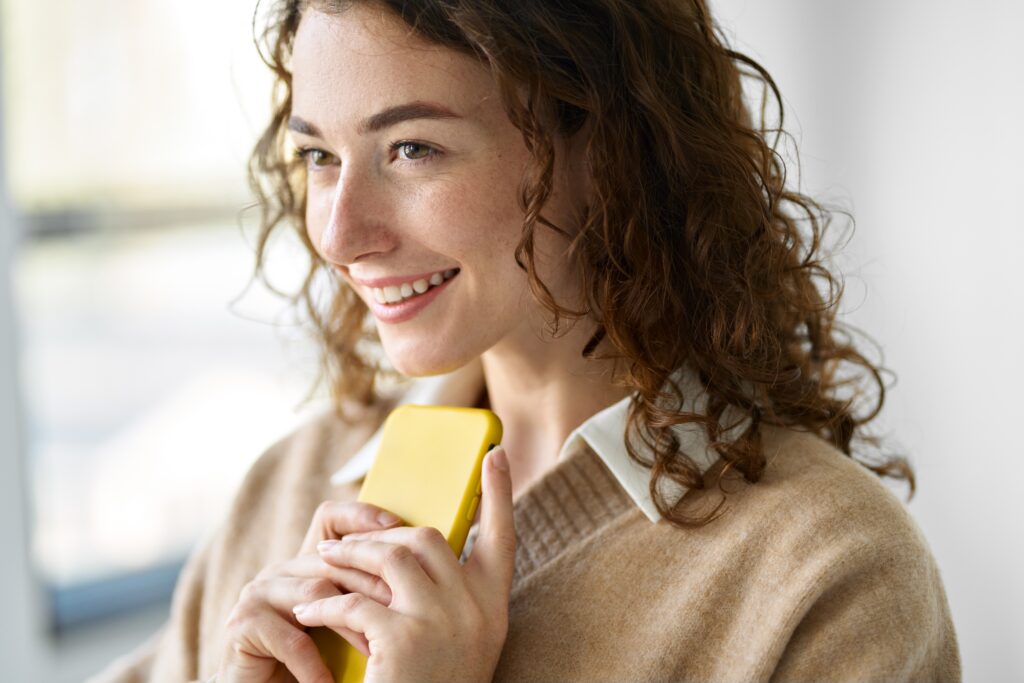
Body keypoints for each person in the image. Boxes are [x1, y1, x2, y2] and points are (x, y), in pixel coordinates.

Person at [90, 0, 961, 681]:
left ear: (610, 148)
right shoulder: (289, 489)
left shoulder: (829, 577)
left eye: (412, 148)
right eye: (319, 155)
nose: (340, 232)